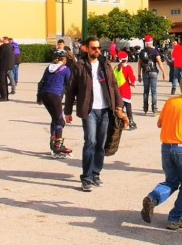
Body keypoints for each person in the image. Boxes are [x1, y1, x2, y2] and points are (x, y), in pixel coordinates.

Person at [140, 72, 182, 230]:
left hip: (166, 147)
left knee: (171, 181)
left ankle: (152, 198)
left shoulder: (171, 102)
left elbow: (160, 123)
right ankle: (175, 218)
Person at [65, 36, 126, 192]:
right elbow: (71, 89)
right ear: (85, 48)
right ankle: (86, 177)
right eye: (94, 48)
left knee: (100, 144)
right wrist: (67, 111)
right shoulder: (79, 66)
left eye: (99, 48)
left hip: (105, 109)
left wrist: (119, 105)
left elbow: (114, 85)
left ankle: (95, 173)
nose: (97, 50)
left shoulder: (105, 64)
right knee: (90, 141)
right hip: (89, 109)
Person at [37, 49, 74, 157]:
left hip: (45, 95)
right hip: (54, 96)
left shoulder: (48, 68)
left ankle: (53, 143)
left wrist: (38, 96)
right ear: (64, 59)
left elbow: (41, 82)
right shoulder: (65, 69)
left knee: (55, 119)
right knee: (60, 121)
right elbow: (69, 85)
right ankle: (58, 145)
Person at [138, 35, 166, 115]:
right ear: (151, 42)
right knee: (154, 91)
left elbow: (139, 64)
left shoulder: (142, 52)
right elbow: (160, 62)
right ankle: (154, 108)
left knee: (146, 91)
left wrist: (139, 75)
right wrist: (163, 72)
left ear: (145, 43)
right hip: (153, 72)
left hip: (145, 73)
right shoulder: (155, 51)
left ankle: (145, 108)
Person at [112, 51, 137, 130]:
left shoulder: (116, 67)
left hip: (118, 92)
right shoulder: (128, 67)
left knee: (119, 108)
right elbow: (131, 78)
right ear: (126, 59)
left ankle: (119, 122)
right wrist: (133, 83)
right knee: (128, 107)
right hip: (126, 91)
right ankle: (131, 122)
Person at [0, 37, 16, 101]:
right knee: (5, 82)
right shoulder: (10, 46)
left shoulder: (3, 47)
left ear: (4, 40)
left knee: (3, 83)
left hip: (3, 66)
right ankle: (6, 97)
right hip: (9, 66)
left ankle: (4, 97)